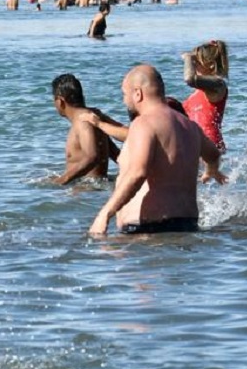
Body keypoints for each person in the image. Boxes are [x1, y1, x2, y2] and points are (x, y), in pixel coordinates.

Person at [88, 65, 221, 235]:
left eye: (124, 94)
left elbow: (138, 173)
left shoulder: (144, 123)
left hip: (149, 230)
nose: (124, 100)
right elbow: (213, 155)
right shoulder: (190, 126)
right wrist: (211, 170)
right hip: (187, 225)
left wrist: (105, 214)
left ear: (138, 93)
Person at [51, 73, 111, 183]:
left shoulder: (82, 121)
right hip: (94, 190)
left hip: (88, 192)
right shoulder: (91, 118)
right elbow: (114, 152)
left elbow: (92, 157)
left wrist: (61, 181)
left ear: (60, 101)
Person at [181, 40, 229, 153]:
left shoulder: (218, 85)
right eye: (193, 62)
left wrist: (188, 58)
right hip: (195, 143)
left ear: (211, 65)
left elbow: (189, 79)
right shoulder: (198, 92)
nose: (192, 65)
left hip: (209, 144)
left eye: (196, 62)